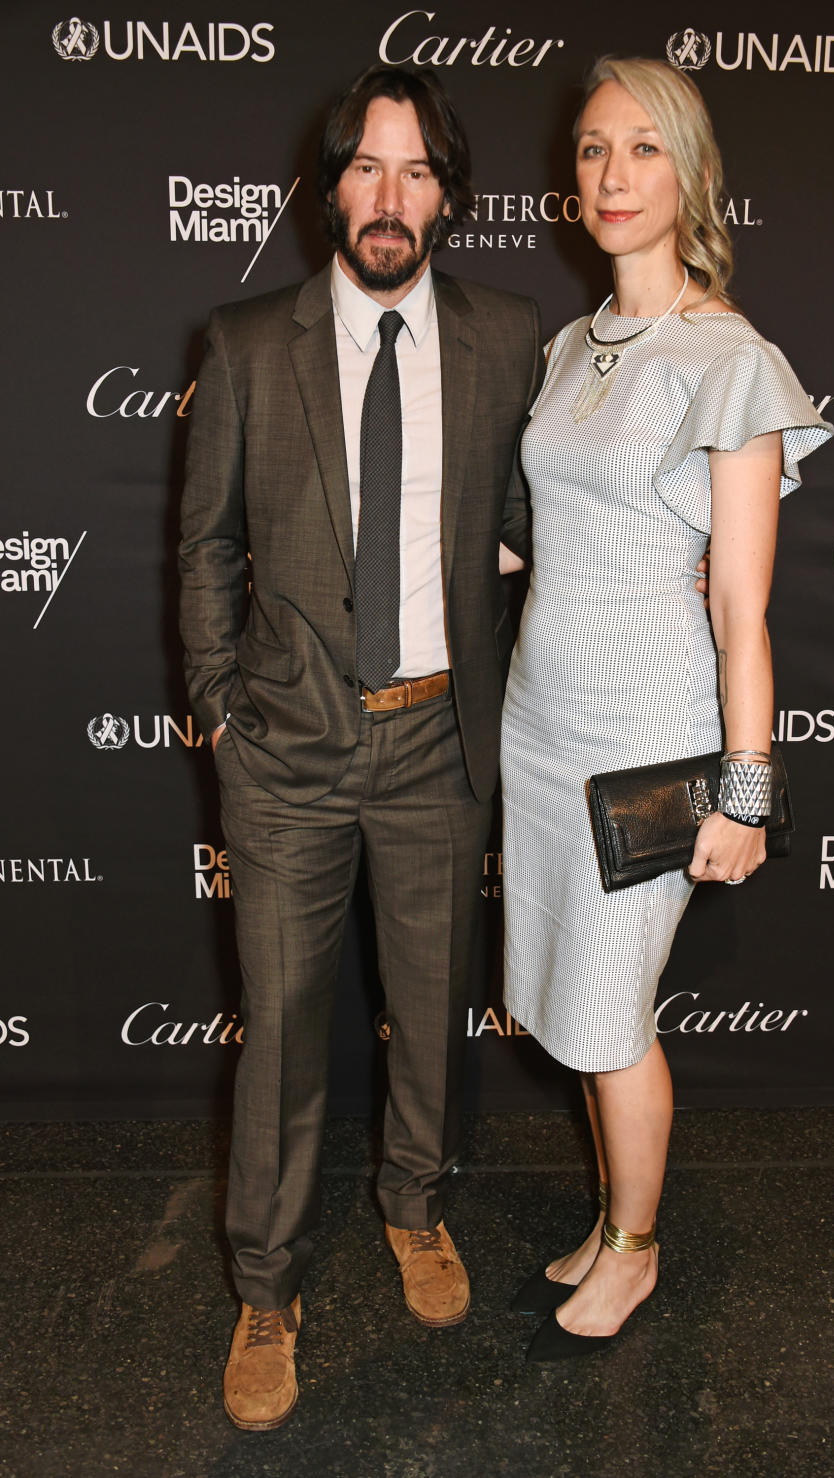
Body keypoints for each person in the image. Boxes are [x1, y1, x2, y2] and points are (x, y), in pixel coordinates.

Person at [179, 65, 542, 1429]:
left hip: (436, 743)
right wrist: (225, 700)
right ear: (331, 182)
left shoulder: (509, 338)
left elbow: (525, 511)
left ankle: (413, 1202)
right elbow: (207, 543)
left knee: (433, 1011)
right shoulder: (247, 340)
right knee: (280, 1031)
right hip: (288, 756)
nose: (391, 200)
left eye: (419, 173)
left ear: (450, 197)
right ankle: (264, 1283)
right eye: (368, 168)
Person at [501, 56, 834, 1362]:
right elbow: (545, 537)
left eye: (642, 149)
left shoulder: (729, 360)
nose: (613, 175)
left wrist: (746, 787)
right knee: (579, 1008)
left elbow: (743, 604)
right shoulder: (571, 346)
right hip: (540, 725)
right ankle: (610, 1215)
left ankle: (635, 1252)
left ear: (687, 172)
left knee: (611, 1009)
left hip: (647, 740)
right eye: (591, 150)